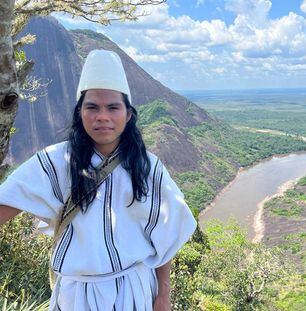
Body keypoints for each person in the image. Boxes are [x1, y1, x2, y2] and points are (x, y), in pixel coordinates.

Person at [0, 49, 197, 311]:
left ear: (128, 115)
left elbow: (165, 236)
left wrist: (163, 297)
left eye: (112, 107)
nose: (102, 116)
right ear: (80, 112)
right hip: (76, 296)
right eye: (92, 107)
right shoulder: (55, 162)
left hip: (135, 291)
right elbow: (7, 202)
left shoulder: (148, 168)